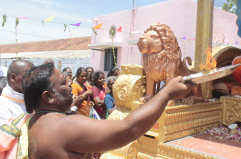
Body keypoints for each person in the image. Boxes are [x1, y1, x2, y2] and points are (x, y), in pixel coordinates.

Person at [19, 62, 194, 158]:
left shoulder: (31, 122)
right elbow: (128, 129)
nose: (71, 84)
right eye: (64, 83)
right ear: (48, 97)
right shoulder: (64, 126)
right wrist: (167, 93)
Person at [0, 60, 34, 125]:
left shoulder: (35, 100)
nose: (33, 81)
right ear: (13, 77)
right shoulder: (2, 105)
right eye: (28, 76)